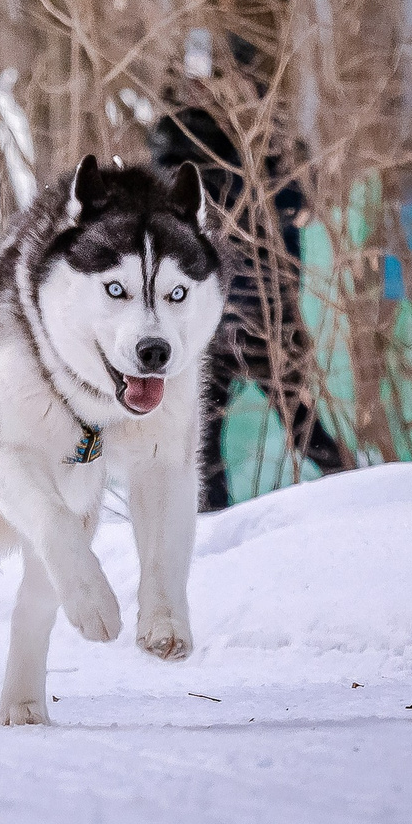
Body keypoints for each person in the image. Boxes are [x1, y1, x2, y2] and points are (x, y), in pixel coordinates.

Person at [146, 59, 347, 511]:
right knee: (294, 419)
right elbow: (297, 203)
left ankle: (216, 522)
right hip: (258, 307)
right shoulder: (253, 144)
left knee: (211, 430)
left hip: (215, 314)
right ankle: (352, 484)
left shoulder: (174, 155)